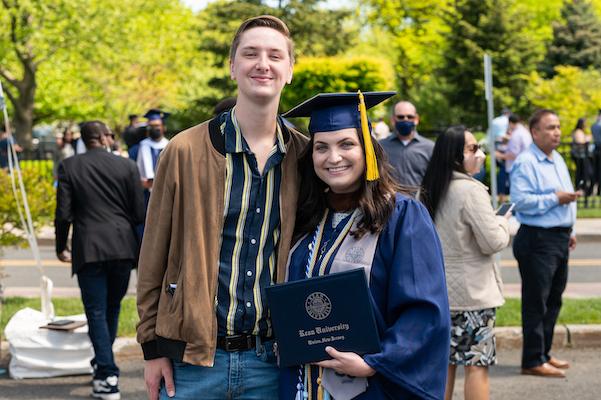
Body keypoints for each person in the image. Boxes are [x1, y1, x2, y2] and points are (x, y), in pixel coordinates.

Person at [136, 15, 307, 400]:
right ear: (233, 66)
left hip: (270, 362)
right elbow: (153, 253)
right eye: (250, 53)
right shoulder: (184, 150)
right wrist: (151, 348)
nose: (263, 63)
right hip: (192, 365)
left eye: (275, 55)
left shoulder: (303, 156)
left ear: (289, 70)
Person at [280, 91, 450, 399]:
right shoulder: (305, 218)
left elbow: (424, 311)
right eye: (321, 147)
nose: (333, 157)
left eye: (347, 144)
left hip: (371, 387)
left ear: (368, 149)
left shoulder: (401, 216)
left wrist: (373, 363)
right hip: (300, 384)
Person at [55, 121, 145, 400]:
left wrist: (61, 246)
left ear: (84, 139)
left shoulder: (70, 166)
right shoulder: (128, 166)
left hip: (89, 247)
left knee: (96, 311)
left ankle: (106, 373)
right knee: (111, 308)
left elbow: (63, 213)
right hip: (122, 246)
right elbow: (139, 213)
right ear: (104, 137)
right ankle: (103, 365)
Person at [421, 125, 511, 400]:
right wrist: (502, 222)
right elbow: (493, 241)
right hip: (473, 294)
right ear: (455, 155)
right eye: (473, 149)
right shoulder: (471, 191)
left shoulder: (429, 189)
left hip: (438, 292)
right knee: (476, 364)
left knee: (444, 364)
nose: (480, 154)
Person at [510, 109, 580, 378]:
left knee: (553, 300)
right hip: (537, 239)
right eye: (550, 127)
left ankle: (544, 353)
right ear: (534, 132)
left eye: (559, 127)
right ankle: (532, 360)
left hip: (559, 237)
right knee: (536, 302)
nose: (557, 132)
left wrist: (569, 228)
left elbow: (566, 197)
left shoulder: (557, 158)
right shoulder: (526, 162)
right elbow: (521, 201)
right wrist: (555, 199)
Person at [379, 100, 434, 186]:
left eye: (410, 117)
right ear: (393, 120)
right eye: (400, 117)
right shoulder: (381, 147)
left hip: (419, 199)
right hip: (390, 199)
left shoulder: (430, 147)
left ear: (416, 119)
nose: (405, 119)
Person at [136, 109, 170, 191]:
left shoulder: (169, 145)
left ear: (163, 127)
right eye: (151, 126)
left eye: (157, 125)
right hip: (145, 190)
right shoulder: (140, 146)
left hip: (165, 189)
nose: (154, 128)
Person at [571, 117, 593, 195]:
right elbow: (579, 142)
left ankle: (583, 190)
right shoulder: (578, 132)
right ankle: (580, 190)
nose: (586, 125)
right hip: (580, 156)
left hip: (583, 156)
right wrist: (587, 139)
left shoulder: (580, 132)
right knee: (582, 174)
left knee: (584, 173)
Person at [592, 109, 601, 195]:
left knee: (597, 170)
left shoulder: (594, 125)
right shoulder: (597, 126)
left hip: (596, 150)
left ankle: (598, 190)